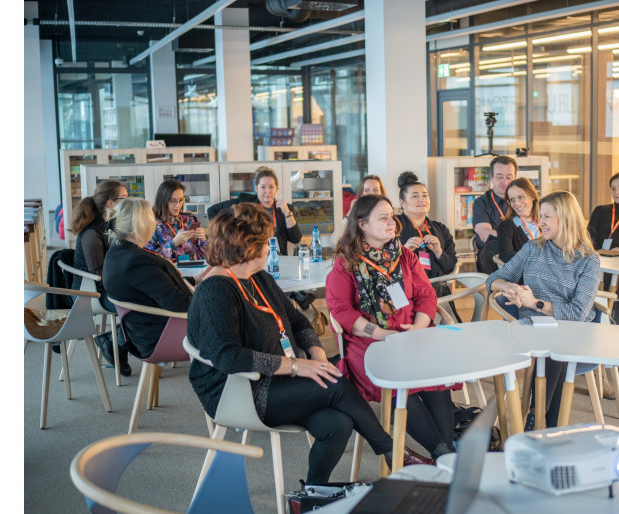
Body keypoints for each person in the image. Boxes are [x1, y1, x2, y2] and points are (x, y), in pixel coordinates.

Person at [188, 203, 431, 485]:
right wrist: (296, 366)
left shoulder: (256, 277)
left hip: (275, 377)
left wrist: (316, 353)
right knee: (337, 383)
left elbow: (298, 321)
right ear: (248, 248)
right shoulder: (215, 290)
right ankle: (392, 452)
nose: (271, 247)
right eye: (266, 242)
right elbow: (228, 358)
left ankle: (313, 492)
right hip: (238, 390)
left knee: (337, 424)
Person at [326, 195, 458, 461]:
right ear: (362, 224)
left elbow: (426, 295)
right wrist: (381, 334)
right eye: (383, 218)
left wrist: (420, 326)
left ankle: (445, 455)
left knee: (436, 376)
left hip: (412, 332)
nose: (392, 223)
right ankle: (443, 455)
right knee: (399, 381)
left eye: (392, 216)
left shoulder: (405, 255)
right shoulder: (346, 263)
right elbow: (341, 310)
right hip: (370, 340)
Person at [487, 190, 603, 429]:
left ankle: (535, 417)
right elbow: (492, 280)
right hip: (533, 329)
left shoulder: (589, 260)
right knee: (554, 347)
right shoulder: (534, 248)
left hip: (573, 331)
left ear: (566, 219)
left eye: (547, 217)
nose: (539, 223)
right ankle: (545, 424)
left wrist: (533, 303)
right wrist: (510, 286)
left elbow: (577, 313)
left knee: (557, 346)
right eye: (540, 216)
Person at [103, 197, 194, 360]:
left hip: (148, 332)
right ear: (139, 228)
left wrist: (195, 281)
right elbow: (178, 303)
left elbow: (156, 286)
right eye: (151, 220)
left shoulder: (116, 253)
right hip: (164, 336)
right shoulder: (137, 262)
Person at [69, 179, 131, 375]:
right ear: (111, 203)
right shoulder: (92, 233)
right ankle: (114, 341)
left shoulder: (112, 226)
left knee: (149, 299)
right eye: (125, 198)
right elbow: (99, 273)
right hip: (91, 292)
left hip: (107, 286)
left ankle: (113, 341)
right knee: (142, 304)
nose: (129, 202)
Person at [207, 166, 301, 255]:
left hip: (277, 259)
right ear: (256, 188)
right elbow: (212, 210)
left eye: (271, 187)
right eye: (263, 187)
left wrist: (287, 213)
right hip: (251, 260)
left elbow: (296, 238)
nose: (267, 191)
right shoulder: (245, 202)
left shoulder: (284, 208)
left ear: (277, 188)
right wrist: (227, 236)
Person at [396, 171, 458, 298]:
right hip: (408, 291)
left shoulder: (440, 229)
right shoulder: (393, 227)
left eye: (425, 195)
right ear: (402, 203)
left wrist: (439, 252)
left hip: (437, 290)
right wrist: (405, 252)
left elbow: (450, 268)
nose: (421, 200)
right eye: (414, 196)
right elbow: (385, 266)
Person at [473, 155, 518, 274]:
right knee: (493, 244)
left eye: (509, 177)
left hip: (518, 252)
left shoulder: (522, 200)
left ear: (515, 178)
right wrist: (515, 239)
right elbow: (484, 234)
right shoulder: (481, 203)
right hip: (491, 258)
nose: (505, 182)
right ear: (491, 178)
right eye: (500, 177)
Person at [145, 179, 207, 262]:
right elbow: (149, 259)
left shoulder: (190, 219)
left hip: (197, 271)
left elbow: (207, 256)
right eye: (172, 201)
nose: (178, 205)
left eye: (181, 200)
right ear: (163, 200)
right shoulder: (151, 224)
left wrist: (204, 240)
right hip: (169, 273)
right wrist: (173, 243)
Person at [496, 177, 541, 263]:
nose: (516, 203)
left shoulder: (543, 221)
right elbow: (506, 255)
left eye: (520, 197)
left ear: (532, 196)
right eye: (512, 200)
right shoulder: (506, 226)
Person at [332, 175, 386, 245]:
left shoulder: (387, 212)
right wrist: (351, 212)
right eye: (366, 190)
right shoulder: (357, 213)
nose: (371, 194)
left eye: (375, 190)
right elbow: (335, 240)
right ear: (361, 193)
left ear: (381, 193)